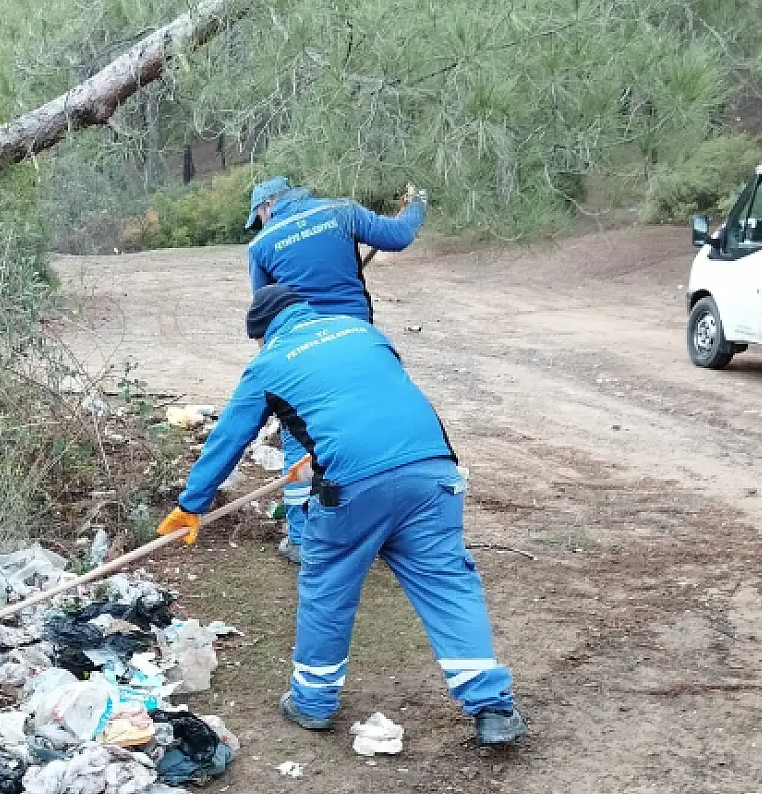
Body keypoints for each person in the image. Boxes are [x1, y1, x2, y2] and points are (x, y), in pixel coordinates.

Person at [157, 285, 526, 746]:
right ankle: (493, 708)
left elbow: (228, 439)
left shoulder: (269, 363)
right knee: (448, 583)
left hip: (354, 488)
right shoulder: (364, 332)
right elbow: (371, 402)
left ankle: (313, 701)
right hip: (432, 473)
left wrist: (191, 505)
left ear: (264, 332)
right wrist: (319, 452)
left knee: (329, 585)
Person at [246, 176, 427, 564]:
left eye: (257, 218)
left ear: (266, 208)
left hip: (303, 354)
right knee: (370, 429)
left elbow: (263, 316)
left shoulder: (261, 245)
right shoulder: (340, 212)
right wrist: (418, 205)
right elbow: (398, 235)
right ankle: (380, 528)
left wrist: (271, 375)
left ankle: (301, 538)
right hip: (358, 343)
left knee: (301, 436)